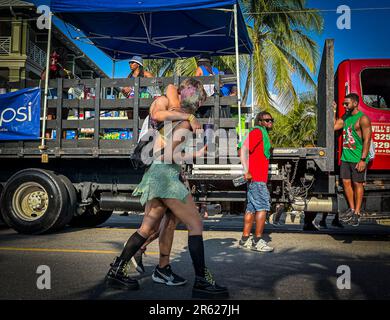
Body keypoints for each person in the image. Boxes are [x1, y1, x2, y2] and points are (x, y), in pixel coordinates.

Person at [105, 78, 229, 298]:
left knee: (147, 228)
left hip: (158, 172)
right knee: (195, 223)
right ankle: (201, 281)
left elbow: (169, 153)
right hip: (165, 176)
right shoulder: (177, 114)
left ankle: (116, 271)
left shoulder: (177, 116)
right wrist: (190, 121)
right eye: (199, 101)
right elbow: (167, 147)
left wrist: (196, 154)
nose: (199, 105)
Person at [333, 93, 372, 227]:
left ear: (355, 103)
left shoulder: (363, 119)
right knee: (346, 183)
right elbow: (334, 126)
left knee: (358, 184)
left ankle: (357, 213)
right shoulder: (345, 117)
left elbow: (367, 140)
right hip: (345, 158)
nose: (344, 106)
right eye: (343, 104)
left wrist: (363, 159)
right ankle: (352, 209)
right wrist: (333, 111)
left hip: (357, 158)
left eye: (346, 103)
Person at [238, 111, 274, 252]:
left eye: (271, 120)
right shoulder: (258, 132)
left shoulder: (262, 133)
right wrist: (246, 170)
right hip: (257, 178)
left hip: (256, 179)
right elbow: (243, 149)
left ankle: (245, 239)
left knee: (251, 209)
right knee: (262, 207)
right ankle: (257, 241)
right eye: (266, 120)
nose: (269, 122)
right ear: (260, 121)